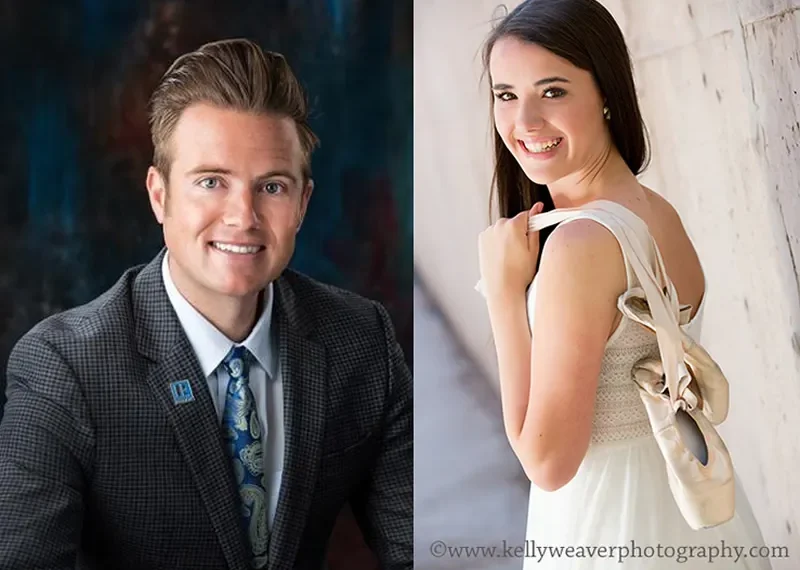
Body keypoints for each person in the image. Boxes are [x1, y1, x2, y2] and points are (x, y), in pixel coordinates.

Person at [0, 39, 412, 570]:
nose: (243, 217)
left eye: (272, 187)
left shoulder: (361, 342)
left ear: (302, 204)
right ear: (159, 195)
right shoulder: (65, 367)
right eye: (211, 182)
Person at [476, 1, 769, 568]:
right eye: (506, 94)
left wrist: (505, 296)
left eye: (553, 91)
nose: (525, 122)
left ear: (606, 92)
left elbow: (548, 463)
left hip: (611, 523)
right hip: (693, 515)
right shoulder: (654, 210)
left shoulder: (581, 245)